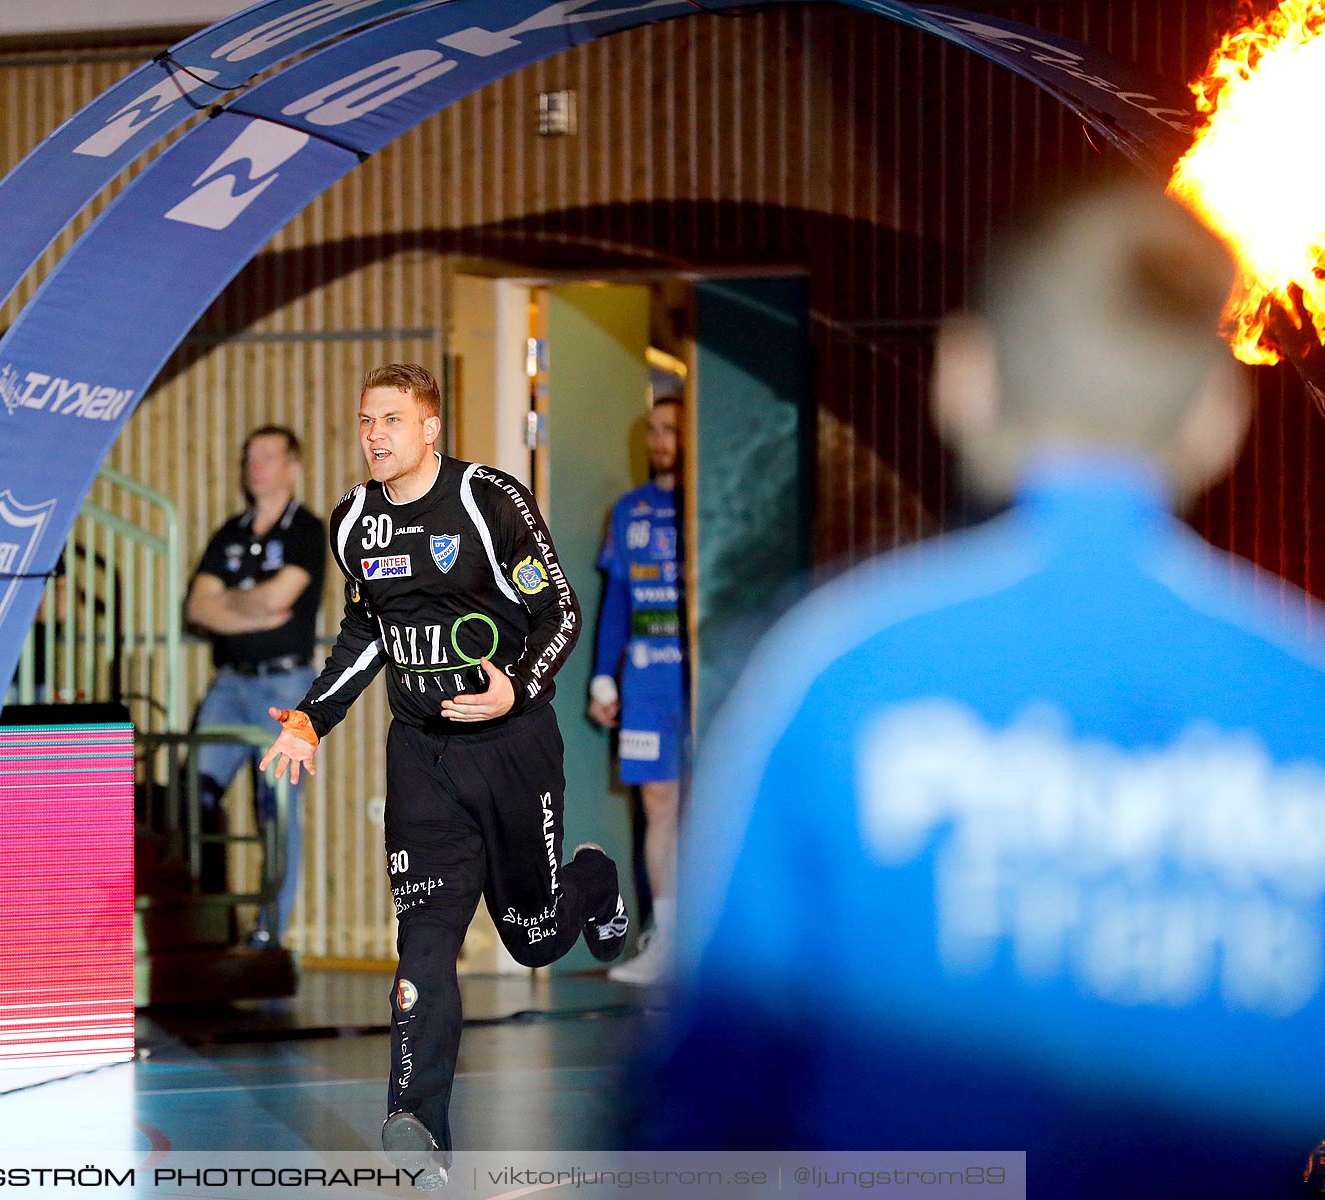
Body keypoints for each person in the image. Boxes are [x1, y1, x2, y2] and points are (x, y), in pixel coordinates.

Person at [638, 179, 1325, 1197]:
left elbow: (708, 1091)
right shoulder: (1301, 694)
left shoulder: (839, 668)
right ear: (1219, 416)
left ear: (962, 377)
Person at [259, 363, 629, 1183]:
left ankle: (595, 882)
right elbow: (365, 637)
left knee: (533, 939)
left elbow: (559, 612)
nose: (375, 436)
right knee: (423, 944)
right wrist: (312, 719)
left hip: (512, 751)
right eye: (365, 422)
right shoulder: (354, 522)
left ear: (431, 427)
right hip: (420, 759)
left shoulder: (488, 501)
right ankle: (417, 1125)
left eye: (391, 419)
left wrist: (515, 688)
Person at [184, 425, 324, 947]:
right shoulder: (231, 532)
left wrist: (231, 604)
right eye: (249, 456)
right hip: (228, 686)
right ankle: (209, 926)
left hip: (284, 689)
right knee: (194, 795)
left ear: (293, 467)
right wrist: (255, 610)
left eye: (267, 456)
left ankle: (270, 934)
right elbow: (197, 608)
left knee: (276, 812)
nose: (255, 465)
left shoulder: (306, 530)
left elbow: (278, 598)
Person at [589, 394, 686, 985]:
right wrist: (604, 674)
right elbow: (616, 601)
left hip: (698, 673)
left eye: (671, 430)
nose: (659, 441)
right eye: (652, 430)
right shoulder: (629, 511)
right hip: (646, 675)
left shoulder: (709, 505)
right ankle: (668, 940)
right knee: (657, 803)